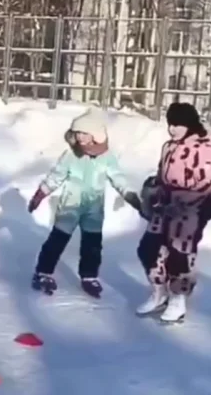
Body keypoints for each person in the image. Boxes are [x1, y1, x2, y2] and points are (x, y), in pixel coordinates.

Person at [28, 108, 142, 296]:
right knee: (57, 241)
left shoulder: (107, 158)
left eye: (84, 133)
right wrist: (41, 194)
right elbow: (56, 176)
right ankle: (43, 272)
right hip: (70, 207)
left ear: (95, 135)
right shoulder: (70, 155)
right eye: (77, 133)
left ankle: (89, 276)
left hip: (94, 209)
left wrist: (131, 196)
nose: (79, 136)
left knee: (92, 245)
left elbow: (118, 178)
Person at [135, 102, 211, 322]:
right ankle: (159, 292)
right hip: (164, 206)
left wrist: (182, 202)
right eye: (170, 124)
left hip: (189, 210)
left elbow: (206, 183)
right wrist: (153, 189)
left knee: (179, 253)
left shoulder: (203, 148)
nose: (172, 129)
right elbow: (162, 173)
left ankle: (178, 298)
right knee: (148, 248)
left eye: (177, 125)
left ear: (189, 125)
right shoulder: (169, 146)